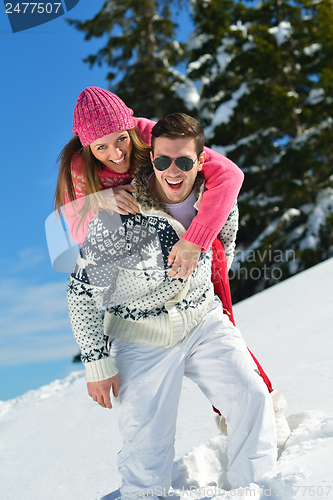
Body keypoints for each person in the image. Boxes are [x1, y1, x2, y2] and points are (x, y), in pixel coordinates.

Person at [66, 112, 278, 494]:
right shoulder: (117, 215)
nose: (173, 172)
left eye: (184, 162)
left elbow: (222, 247)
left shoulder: (218, 202)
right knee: (146, 445)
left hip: (201, 319)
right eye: (163, 161)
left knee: (251, 395)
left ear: (200, 162)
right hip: (140, 335)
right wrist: (97, 362)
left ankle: (257, 487)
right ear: (151, 160)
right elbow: (80, 291)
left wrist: (202, 285)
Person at [54, 86, 277, 401]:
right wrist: (102, 200)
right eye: (101, 147)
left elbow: (228, 175)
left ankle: (263, 402)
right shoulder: (81, 169)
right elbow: (82, 237)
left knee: (223, 330)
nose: (116, 153)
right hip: (140, 277)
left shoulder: (151, 136)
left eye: (121, 139)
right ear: (87, 146)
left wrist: (196, 240)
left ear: (131, 125)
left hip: (194, 247)